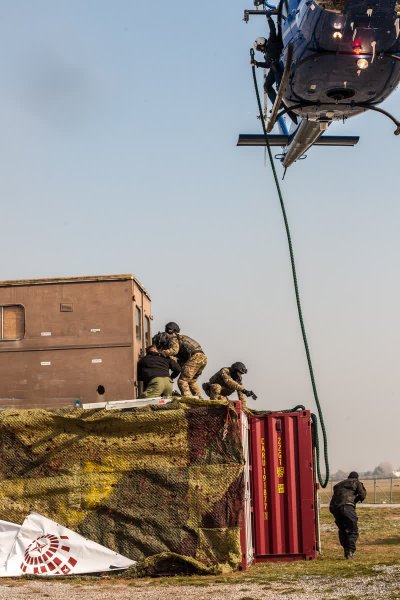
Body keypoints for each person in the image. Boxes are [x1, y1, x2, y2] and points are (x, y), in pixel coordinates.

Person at [159, 322, 207, 399]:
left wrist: (161, 353)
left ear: (170, 330)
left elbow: (174, 350)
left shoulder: (173, 338)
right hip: (202, 358)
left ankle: (188, 400)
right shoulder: (181, 338)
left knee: (182, 381)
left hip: (195, 357)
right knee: (191, 381)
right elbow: (180, 361)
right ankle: (200, 400)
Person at [329, 471, 367, 559]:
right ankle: (350, 552)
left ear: (348, 477)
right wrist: (355, 501)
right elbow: (362, 495)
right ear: (356, 477)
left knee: (342, 529)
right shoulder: (356, 482)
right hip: (346, 506)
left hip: (334, 508)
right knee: (352, 529)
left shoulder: (339, 484)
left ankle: (346, 551)